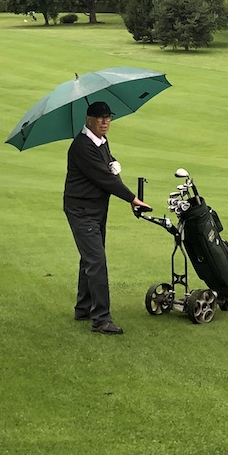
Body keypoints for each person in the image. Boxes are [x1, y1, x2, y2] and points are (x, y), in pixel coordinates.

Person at [64, 99, 150, 334]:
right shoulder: (82, 146)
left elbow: (109, 169)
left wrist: (114, 166)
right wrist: (132, 198)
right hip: (81, 211)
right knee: (96, 262)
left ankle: (83, 308)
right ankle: (101, 319)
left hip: (96, 209)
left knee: (89, 259)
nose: (105, 122)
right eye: (100, 118)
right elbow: (103, 177)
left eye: (108, 118)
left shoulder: (100, 142)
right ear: (88, 120)